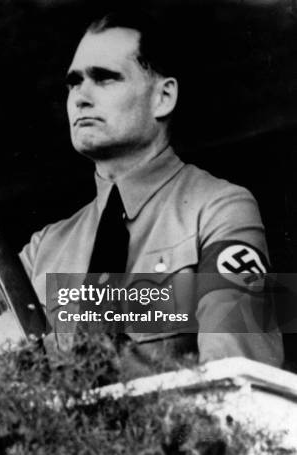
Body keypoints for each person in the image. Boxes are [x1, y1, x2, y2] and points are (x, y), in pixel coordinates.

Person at [19, 10, 284, 372]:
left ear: (163, 96)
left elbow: (235, 382)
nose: (80, 97)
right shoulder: (43, 250)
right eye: (73, 82)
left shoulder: (217, 209)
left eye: (105, 78)